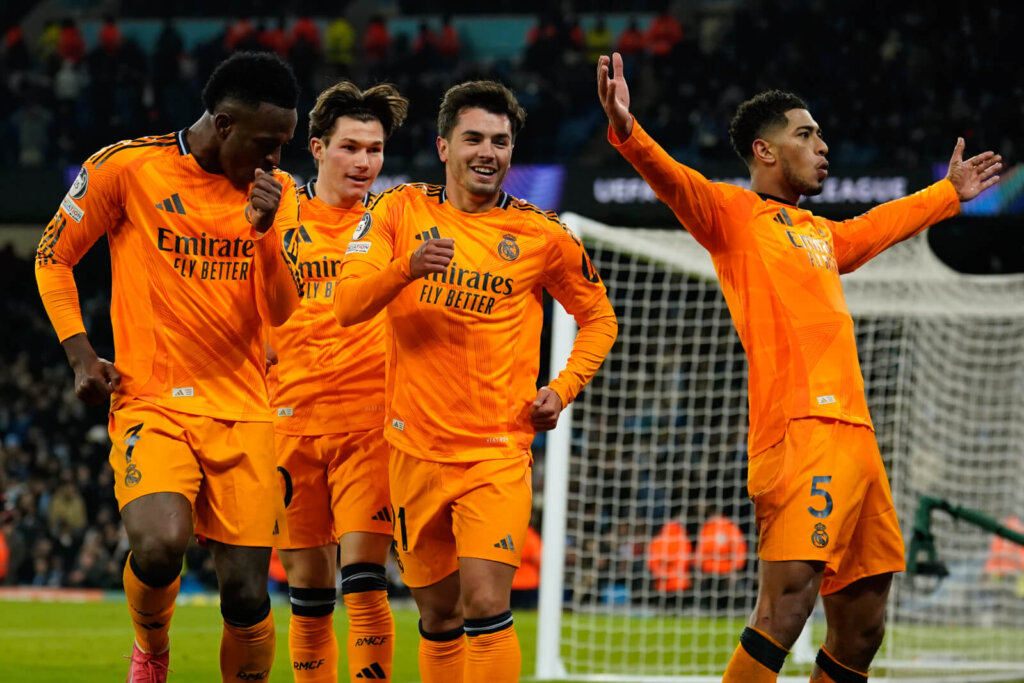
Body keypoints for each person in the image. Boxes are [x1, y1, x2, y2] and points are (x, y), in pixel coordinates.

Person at [597, 51, 1001, 683]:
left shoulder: (818, 234)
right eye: (805, 135)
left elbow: (874, 227)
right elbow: (670, 176)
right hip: (799, 434)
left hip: (858, 441)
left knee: (864, 628)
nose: (823, 145)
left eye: (820, 135)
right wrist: (627, 130)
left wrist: (947, 193)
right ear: (765, 151)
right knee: (785, 608)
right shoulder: (732, 218)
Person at [334, 80, 618, 682]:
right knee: (438, 615)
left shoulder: (543, 236)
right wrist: (405, 270)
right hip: (412, 451)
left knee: (488, 607)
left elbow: (599, 317)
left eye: (501, 141)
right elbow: (348, 304)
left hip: (495, 451)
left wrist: (562, 389)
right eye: (474, 138)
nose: (488, 151)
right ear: (443, 147)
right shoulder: (400, 210)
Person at [35, 51, 304, 682]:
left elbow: (284, 309)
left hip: (243, 409)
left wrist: (265, 232)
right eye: (267, 144)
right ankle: (152, 651)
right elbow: (52, 256)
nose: (276, 161)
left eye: (286, 146)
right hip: (152, 400)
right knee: (157, 548)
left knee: (246, 596)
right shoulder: (128, 168)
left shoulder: (278, 194)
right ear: (225, 123)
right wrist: (80, 354)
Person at [268, 81, 409, 683]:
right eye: (351, 147)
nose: (364, 162)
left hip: (367, 423)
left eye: (375, 150)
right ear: (318, 147)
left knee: (365, 581)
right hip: (286, 422)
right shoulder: (274, 204)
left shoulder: (393, 218)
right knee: (307, 588)